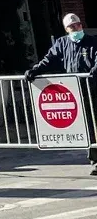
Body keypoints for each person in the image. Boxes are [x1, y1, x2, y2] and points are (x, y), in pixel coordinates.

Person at [26, 12, 97, 175]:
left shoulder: (92, 42)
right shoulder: (62, 44)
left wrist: (93, 73)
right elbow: (49, 60)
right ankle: (94, 159)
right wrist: (34, 71)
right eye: (72, 26)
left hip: (93, 88)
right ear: (66, 29)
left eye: (78, 25)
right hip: (76, 90)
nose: (76, 28)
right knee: (87, 126)